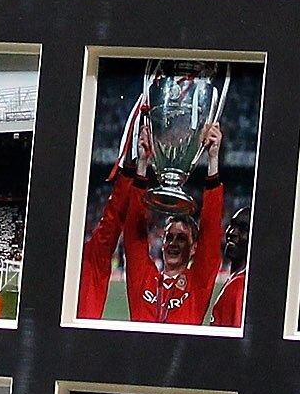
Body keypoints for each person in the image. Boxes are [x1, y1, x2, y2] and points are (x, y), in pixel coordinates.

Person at [74, 103, 225, 327]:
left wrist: (213, 161)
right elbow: (134, 236)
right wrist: (142, 164)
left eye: (181, 238)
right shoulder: (145, 279)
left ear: (194, 248)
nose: (173, 243)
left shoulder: (197, 283)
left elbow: (211, 235)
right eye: (169, 237)